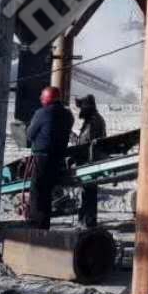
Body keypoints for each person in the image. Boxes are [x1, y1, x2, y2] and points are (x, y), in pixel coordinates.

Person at [24, 86, 74, 229]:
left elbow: (29, 134)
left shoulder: (42, 113)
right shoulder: (67, 114)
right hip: (58, 158)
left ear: (46, 98)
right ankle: (44, 225)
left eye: (42, 96)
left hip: (42, 157)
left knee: (37, 191)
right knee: (47, 192)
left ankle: (36, 225)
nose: (40, 99)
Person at [74, 94, 107, 228]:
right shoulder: (93, 120)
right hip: (89, 162)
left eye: (82, 107)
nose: (80, 111)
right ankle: (86, 219)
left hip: (89, 163)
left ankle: (88, 221)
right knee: (87, 192)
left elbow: (88, 144)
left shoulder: (93, 122)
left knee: (89, 192)